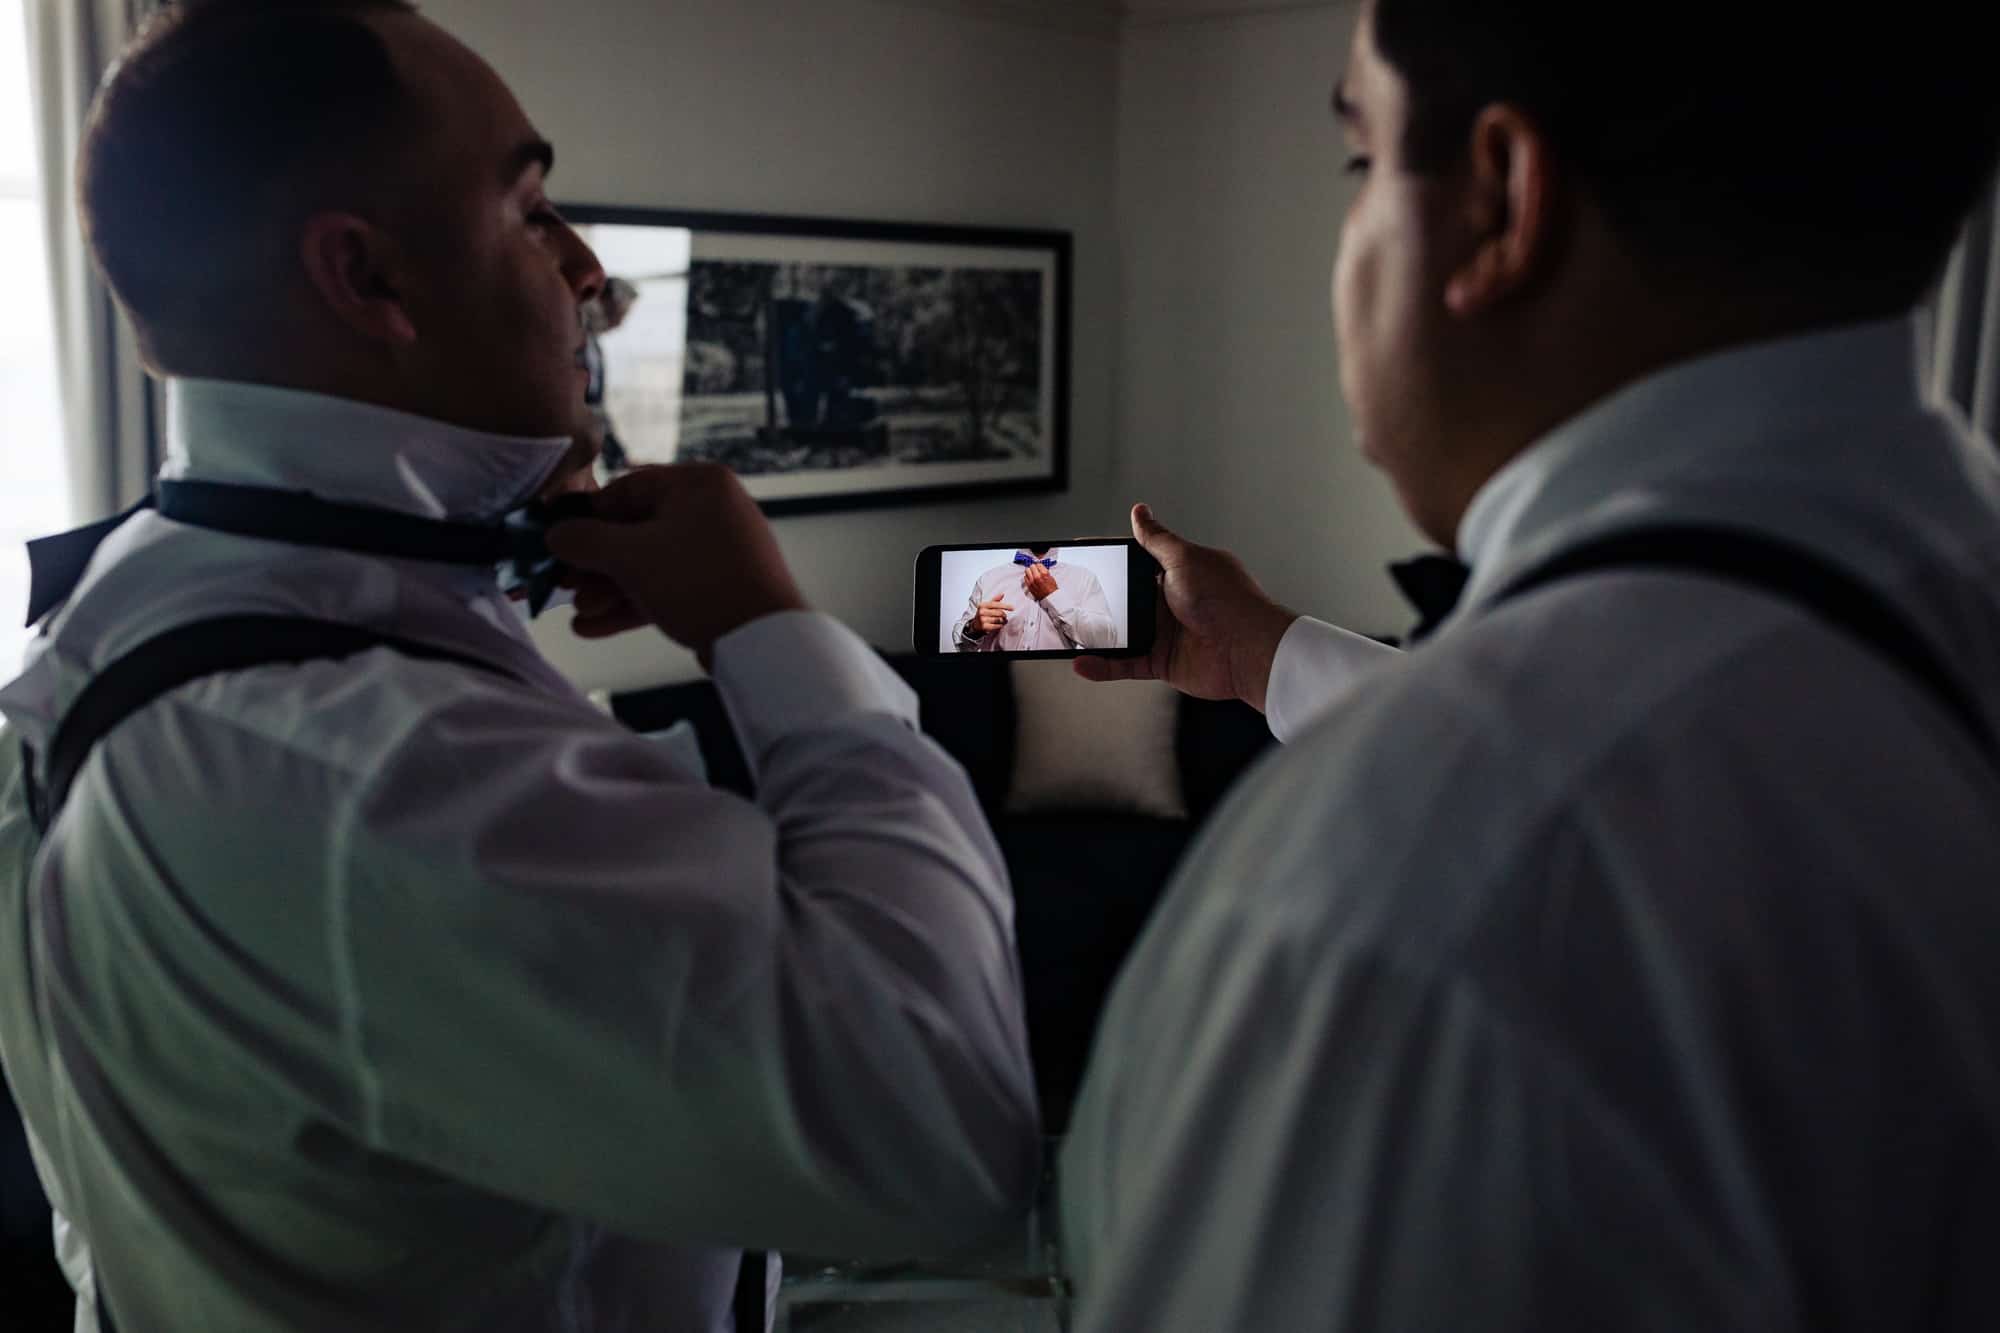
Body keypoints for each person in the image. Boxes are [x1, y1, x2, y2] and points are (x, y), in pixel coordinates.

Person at [0, 3, 1039, 1331]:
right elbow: (941, 1136)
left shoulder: (112, 620)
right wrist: (776, 638)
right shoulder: (358, 765)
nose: (588, 267)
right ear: (368, 279)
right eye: (534, 206)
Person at [1059, 2, 2000, 1330]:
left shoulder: (1403, 884)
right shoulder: (1945, 578)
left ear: (1499, 197)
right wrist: (1269, 656)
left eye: (1360, 161)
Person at [952, 547, 1118, 652]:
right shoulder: (988, 578)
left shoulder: (1084, 578)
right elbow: (961, 646)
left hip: (1060, 687)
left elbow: (1107, 642)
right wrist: (973, 628)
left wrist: (1053, 596)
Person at [581, 275, 639, 473]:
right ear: (604, 302)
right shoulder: (572, 337)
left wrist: (617, 459)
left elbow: (596, 409)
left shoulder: (593, 345)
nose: (619, 324)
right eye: (619, 315)